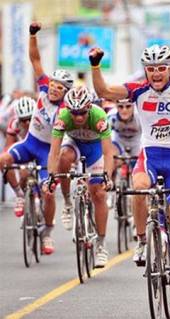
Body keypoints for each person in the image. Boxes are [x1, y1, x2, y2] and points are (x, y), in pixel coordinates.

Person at [89, 44, 170, 303]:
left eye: (161, 68)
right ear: (146, 71)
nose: (156, 73)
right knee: (138, 187)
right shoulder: (138, 90)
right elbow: (104, 91)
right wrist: (95, 65)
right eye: (151, 69)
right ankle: (141, 242)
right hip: (150, 154)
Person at [0, 22, 73, 255]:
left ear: (64, 92)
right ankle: (20, 196)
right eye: (52, 84)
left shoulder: (65, 110)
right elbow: (35, 60)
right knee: (3, 159)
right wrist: (32, 35)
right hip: (30, 142)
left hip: (47, 151)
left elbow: (59, 145)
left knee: (49, 192)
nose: (53, 89)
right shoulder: (42, 88)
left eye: (59, 87)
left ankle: (48, 233)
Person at [47, 86, 115, 268]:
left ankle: (101, 244)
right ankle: (69, 203)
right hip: (74, 144)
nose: (78, 117)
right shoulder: (62, 118)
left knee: (99, 194)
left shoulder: (99, 117)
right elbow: (53, 152)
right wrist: (51, 177)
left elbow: (109, 152)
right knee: (63, 157)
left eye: (82, 113)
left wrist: (107, 176)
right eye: (74, 113)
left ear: (89, 108)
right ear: (68, 110)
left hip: (95, 150)